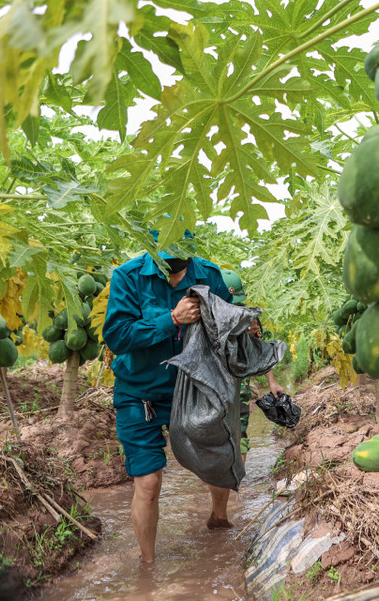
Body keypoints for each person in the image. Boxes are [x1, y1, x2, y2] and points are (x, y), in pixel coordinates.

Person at [102, 231, 237, 563]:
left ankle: (218, 515)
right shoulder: (128, 276)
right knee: (148, 484)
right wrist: (172, 319)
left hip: (195, 389)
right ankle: (147, 567)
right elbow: (117, 337)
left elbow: (227, 327)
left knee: (218, 462)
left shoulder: (210, 274)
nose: (176, 274)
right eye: (168, 266)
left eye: (181, 265)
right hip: (140, 393)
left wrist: (242, 326)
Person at [219, 269, 286, 459]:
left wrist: (272, 382)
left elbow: (261, 352)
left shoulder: (250, 319)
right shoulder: (209, 315)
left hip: (238, 387)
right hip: (213, 386)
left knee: (239, 434)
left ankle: (236, 483)